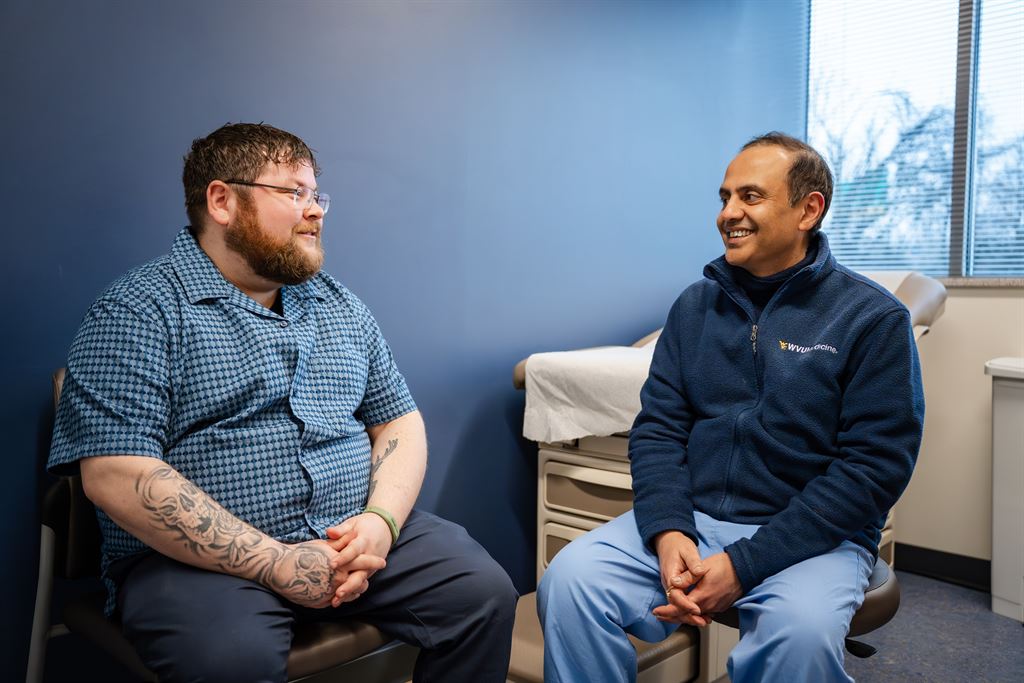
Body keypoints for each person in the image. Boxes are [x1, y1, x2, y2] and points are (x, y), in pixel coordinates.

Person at [48, 122, 517, 683]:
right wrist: (277, 563)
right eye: (293, 192)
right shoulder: (136, 311)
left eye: (316, 194)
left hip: (349, 532)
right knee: (229, 660)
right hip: (197, 564)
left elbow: (399, 422)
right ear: (222, 201)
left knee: (483, 592)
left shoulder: (339, 306)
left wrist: (381, 522)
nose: (316, 210)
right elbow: (115, 473)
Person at [537, 132, 924, 683]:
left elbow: (873, 468)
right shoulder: (695, 307)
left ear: (808, 209)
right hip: (693, 521)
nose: (728, 214)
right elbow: (659, 431)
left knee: (801, 636)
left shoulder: (872, 319)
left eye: (750, 196)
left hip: (812, 538)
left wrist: (745, 566)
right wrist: (671, 531)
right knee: (570, 581)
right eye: (724, 198)